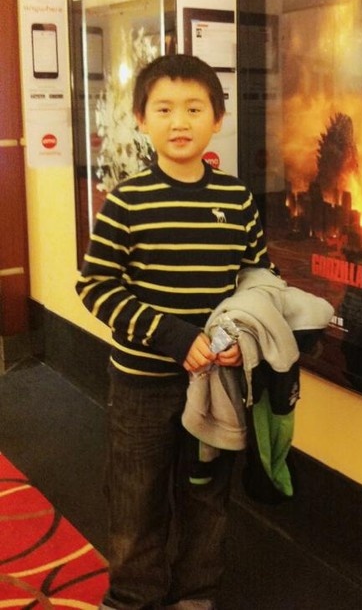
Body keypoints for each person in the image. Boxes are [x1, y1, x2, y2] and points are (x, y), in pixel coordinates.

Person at [76, 54, 273, 610]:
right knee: (135, 498)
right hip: (141, 385)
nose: (179, 121)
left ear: (218, 118)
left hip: (216, 384)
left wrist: (245, 341)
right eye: (163, 109)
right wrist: (172, 337)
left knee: (206, 498)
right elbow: (96, 286)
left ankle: (195, 595)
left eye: (194, 108)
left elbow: (260, 281)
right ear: (141, 119)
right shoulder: (127, 200)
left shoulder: (236, 199)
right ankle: (132, 597)